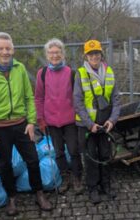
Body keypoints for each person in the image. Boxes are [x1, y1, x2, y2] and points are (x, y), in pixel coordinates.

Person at [0, 32, 52, 216]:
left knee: (33, 160)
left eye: (8, 48)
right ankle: (11, 197)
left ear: (13, 50)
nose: (5, 52)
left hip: (21, 124)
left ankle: (39, 193)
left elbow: (29, 96)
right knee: (5, 164)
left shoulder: (19, 68)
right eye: (1, 48)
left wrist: (31, 122)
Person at [74, 39, 120, 204]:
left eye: (97, 53)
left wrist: (112, 120)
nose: (94, 56)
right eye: (90, 54)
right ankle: (93, 188)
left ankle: (105, 185)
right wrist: (89, 124)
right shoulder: (80, 74)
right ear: (86, 56)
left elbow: (116, 99)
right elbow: (77, 103)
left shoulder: (109, 72)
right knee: (91, 157)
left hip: (105, 124)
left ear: (101, 54)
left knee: (105, 155)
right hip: (87, 126)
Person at [35, 38, 84, 194]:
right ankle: (65, 178)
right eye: (51, 53)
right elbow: (39, 97)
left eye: (57, 52)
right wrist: (41, 119)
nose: (54, 55)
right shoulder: (42, 74)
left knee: (74, 151)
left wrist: (79, 118)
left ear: (63, 54)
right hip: (51, 121)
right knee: (58, 153)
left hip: (70, 120)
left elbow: (77, 98)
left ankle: (77, 178)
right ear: (47, 55)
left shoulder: (71, 73)